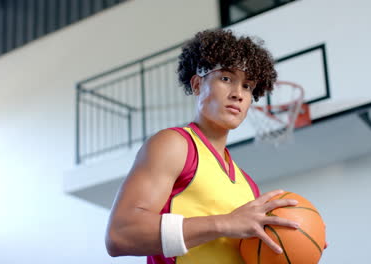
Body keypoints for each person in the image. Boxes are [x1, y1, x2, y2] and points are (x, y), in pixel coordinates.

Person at [105, 29, 302, 264]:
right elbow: (121, 233)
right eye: (226, 78)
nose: (238, 94)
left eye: (248, 86)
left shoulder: (247, 186)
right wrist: (224, 223)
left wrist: (295, 248)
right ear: (198, 84)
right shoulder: (174, 145)